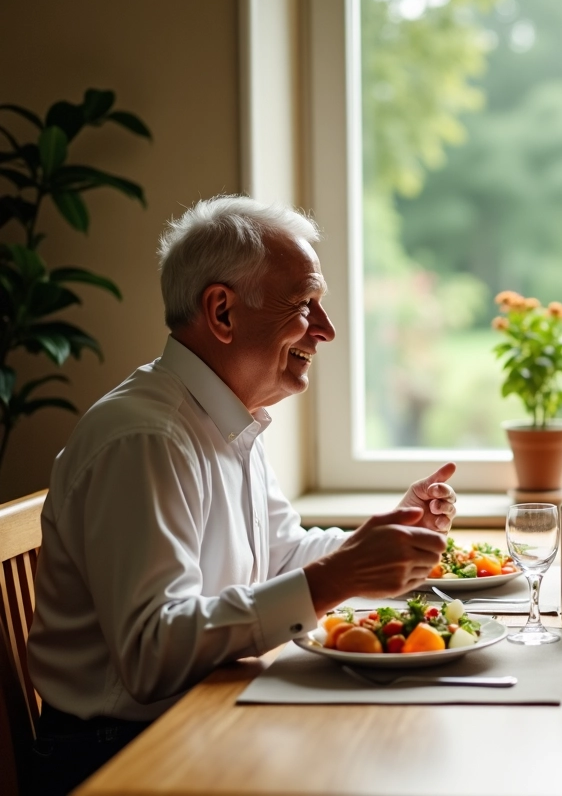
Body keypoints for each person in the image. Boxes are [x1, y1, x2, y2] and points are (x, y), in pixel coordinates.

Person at [25, 196, 457, 795]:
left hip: (199, 716)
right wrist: (338, 577)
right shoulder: (148, 437)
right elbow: (152, 654)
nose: (326, 329)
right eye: (305, 304)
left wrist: (381, 539)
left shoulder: (224, 417)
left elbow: (279, 555)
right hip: (121, 757)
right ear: (222, 312)